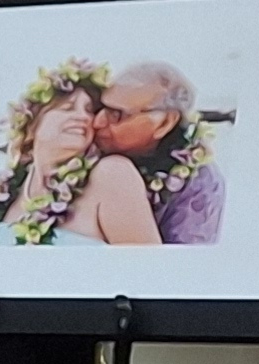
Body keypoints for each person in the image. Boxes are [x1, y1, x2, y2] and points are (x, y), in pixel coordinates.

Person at [0, 64, 162, 246]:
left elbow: (148, 268)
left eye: (90, 111)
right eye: (67, 108)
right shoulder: (10, 190)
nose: (83, 117)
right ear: (32, 125)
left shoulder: (112, 174)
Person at [90, 61, 223, 244]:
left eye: (116, 114)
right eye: (98, 108)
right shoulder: (83, 147)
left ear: (164, 123)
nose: (97, 122)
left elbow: (186, 259)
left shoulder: (199, 183)